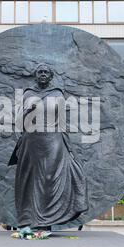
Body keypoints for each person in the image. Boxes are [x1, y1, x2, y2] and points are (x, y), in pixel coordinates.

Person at [8, 64, 88, 230]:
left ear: (51, 76)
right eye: (40, 72)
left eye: (46, 72)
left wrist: (70, 150)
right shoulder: (27, 94)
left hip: (53, 141)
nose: (43, 74)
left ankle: (47, 220)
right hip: (31, 142)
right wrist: (26, 111)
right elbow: (17, 122)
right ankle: (28, 219)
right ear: (35, 75)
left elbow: (63, 124)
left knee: (50, 180)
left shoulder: (58, 94)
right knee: (30, 181)